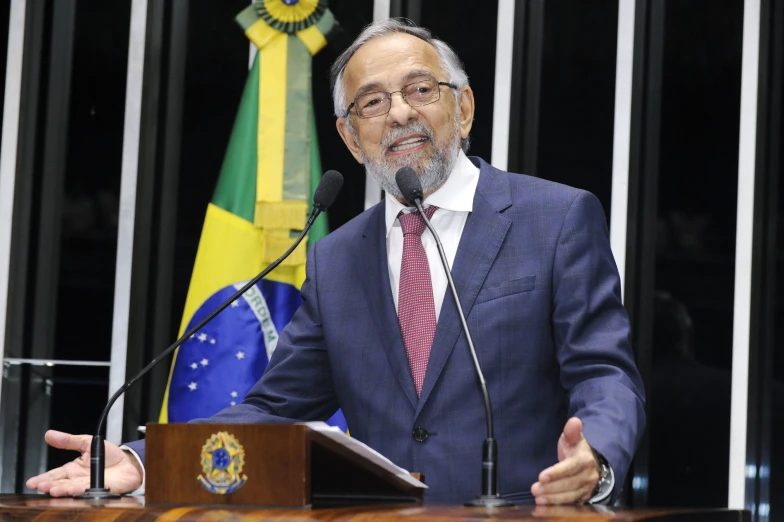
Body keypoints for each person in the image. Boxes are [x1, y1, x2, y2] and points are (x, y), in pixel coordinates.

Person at [27, 19, 645, 505]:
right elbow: (273, 410)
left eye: (420, 90)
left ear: (463, 108)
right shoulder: (335, 260)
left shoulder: (555, 218)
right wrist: (140, 459)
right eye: (372, 103)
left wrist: (598, 456)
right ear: (351, 138)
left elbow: (604, 372)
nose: (399, 112)